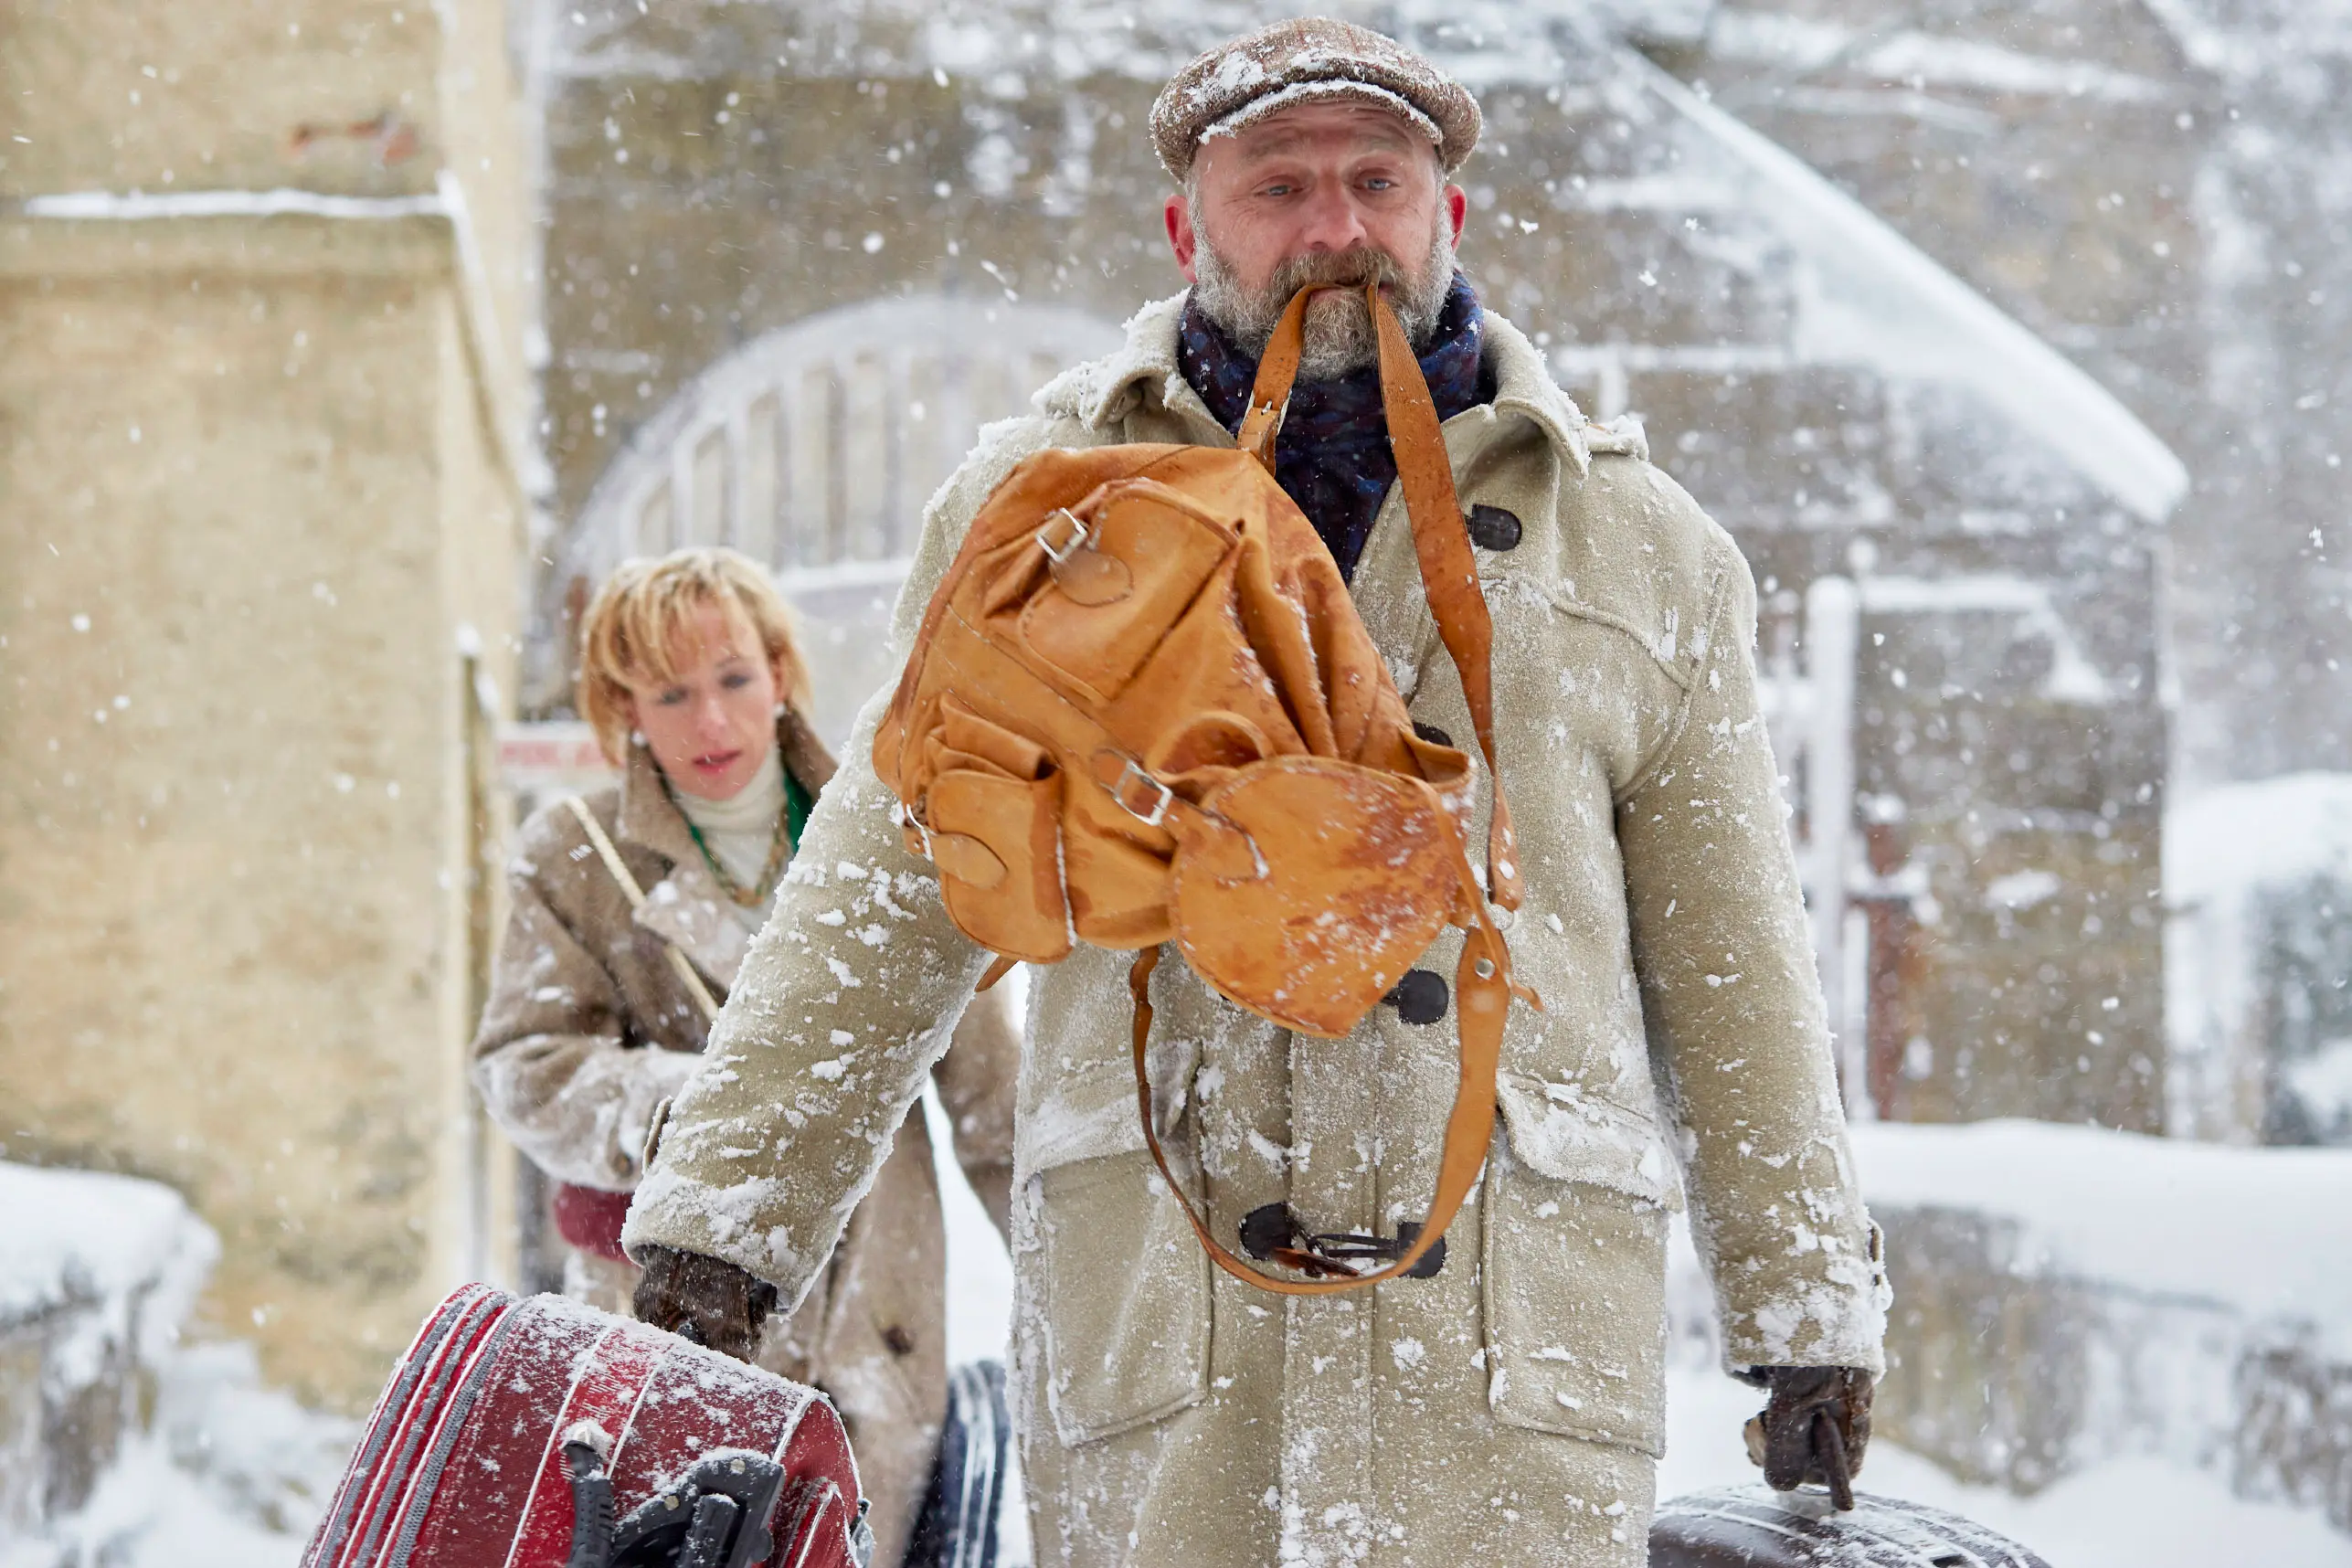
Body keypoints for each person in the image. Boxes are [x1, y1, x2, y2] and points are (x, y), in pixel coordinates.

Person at [623, 21, 1889, 1567]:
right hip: (1169, 1295)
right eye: (1275, 185)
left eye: (1375, 179)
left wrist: (1804, 1296)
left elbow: (1729, 957)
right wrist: (726, 1211)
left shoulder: (1636, 546)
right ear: (1185, 227)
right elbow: (893, 870)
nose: (1333, 227)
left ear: (1447, 212)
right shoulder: (1043, 511)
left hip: (1508, 1335)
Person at [471, 546, 1020, 1568]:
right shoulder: (574, 858)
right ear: (623, 707)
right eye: (670, 694)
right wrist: (682, 1111)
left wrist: (1074, 1269)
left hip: (878, 1315)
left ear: (779, 670)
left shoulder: (894, 830)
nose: (710, 723)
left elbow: (998, 1107)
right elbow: (525, 1064)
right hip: (669, 1325)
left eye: (732, 679)